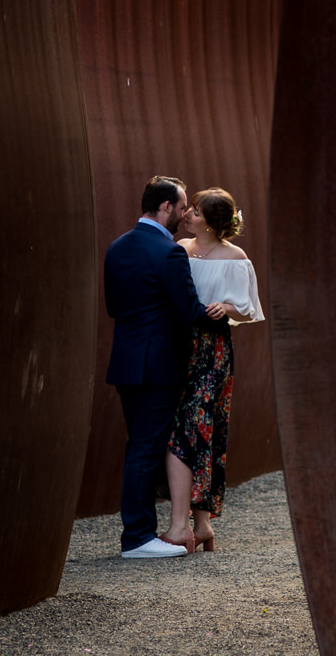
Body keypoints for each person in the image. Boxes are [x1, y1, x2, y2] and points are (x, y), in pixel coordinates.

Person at [103, 175, 228, 559]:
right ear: (165, 208)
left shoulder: (117, 247)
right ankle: (138, 538)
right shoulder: (169, 251)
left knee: (137, 447)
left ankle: (140, 533)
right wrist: (222, 314)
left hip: (125, 363)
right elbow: (189, 311)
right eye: (181, 205)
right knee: (146, 449)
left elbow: (113, 308)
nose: (184, 212)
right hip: (158, 368)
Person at [160, 186, 263, 553]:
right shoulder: (180, 250)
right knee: (192, 426)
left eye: (196, 213)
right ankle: (197, 524)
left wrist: (227, 308)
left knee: (200, 424)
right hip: (180, 347)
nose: (187, 215)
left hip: (213, 351)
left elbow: (248, 308)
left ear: (212, 222)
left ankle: (191, 525)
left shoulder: (235, 257)